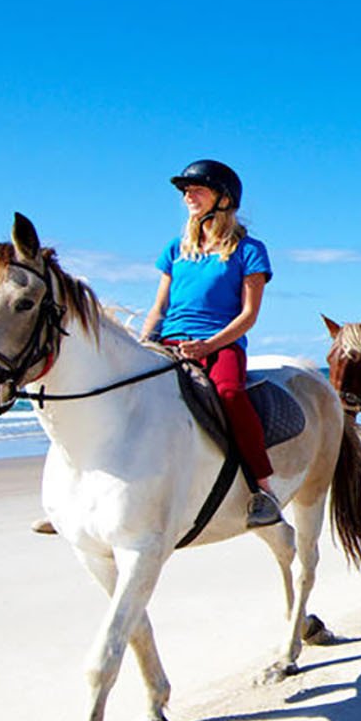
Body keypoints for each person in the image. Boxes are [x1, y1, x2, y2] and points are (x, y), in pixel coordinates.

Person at [139, 158, 281, 527]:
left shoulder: (249, 251)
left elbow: (249, 315)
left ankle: (261, 489)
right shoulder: (176, 249)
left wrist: (209, 345)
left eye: (196, 188)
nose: (188, 195)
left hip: (220, 343)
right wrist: (143, 343)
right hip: (169, 341)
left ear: (223, 198)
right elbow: (159, 306)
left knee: (231, 395)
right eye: (185, 190)